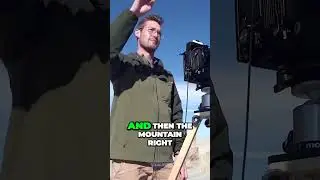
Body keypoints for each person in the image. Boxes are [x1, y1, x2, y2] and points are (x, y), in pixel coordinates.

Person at [110, 0, 187, 179]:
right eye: (151, 30)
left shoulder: (167, 77)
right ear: (138, 33)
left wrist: (180, 156)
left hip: (164, 164)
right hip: (128, 163)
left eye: (159, 32)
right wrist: (134, 13)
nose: (156, 34)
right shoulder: (123, 65)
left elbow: (176, 117)